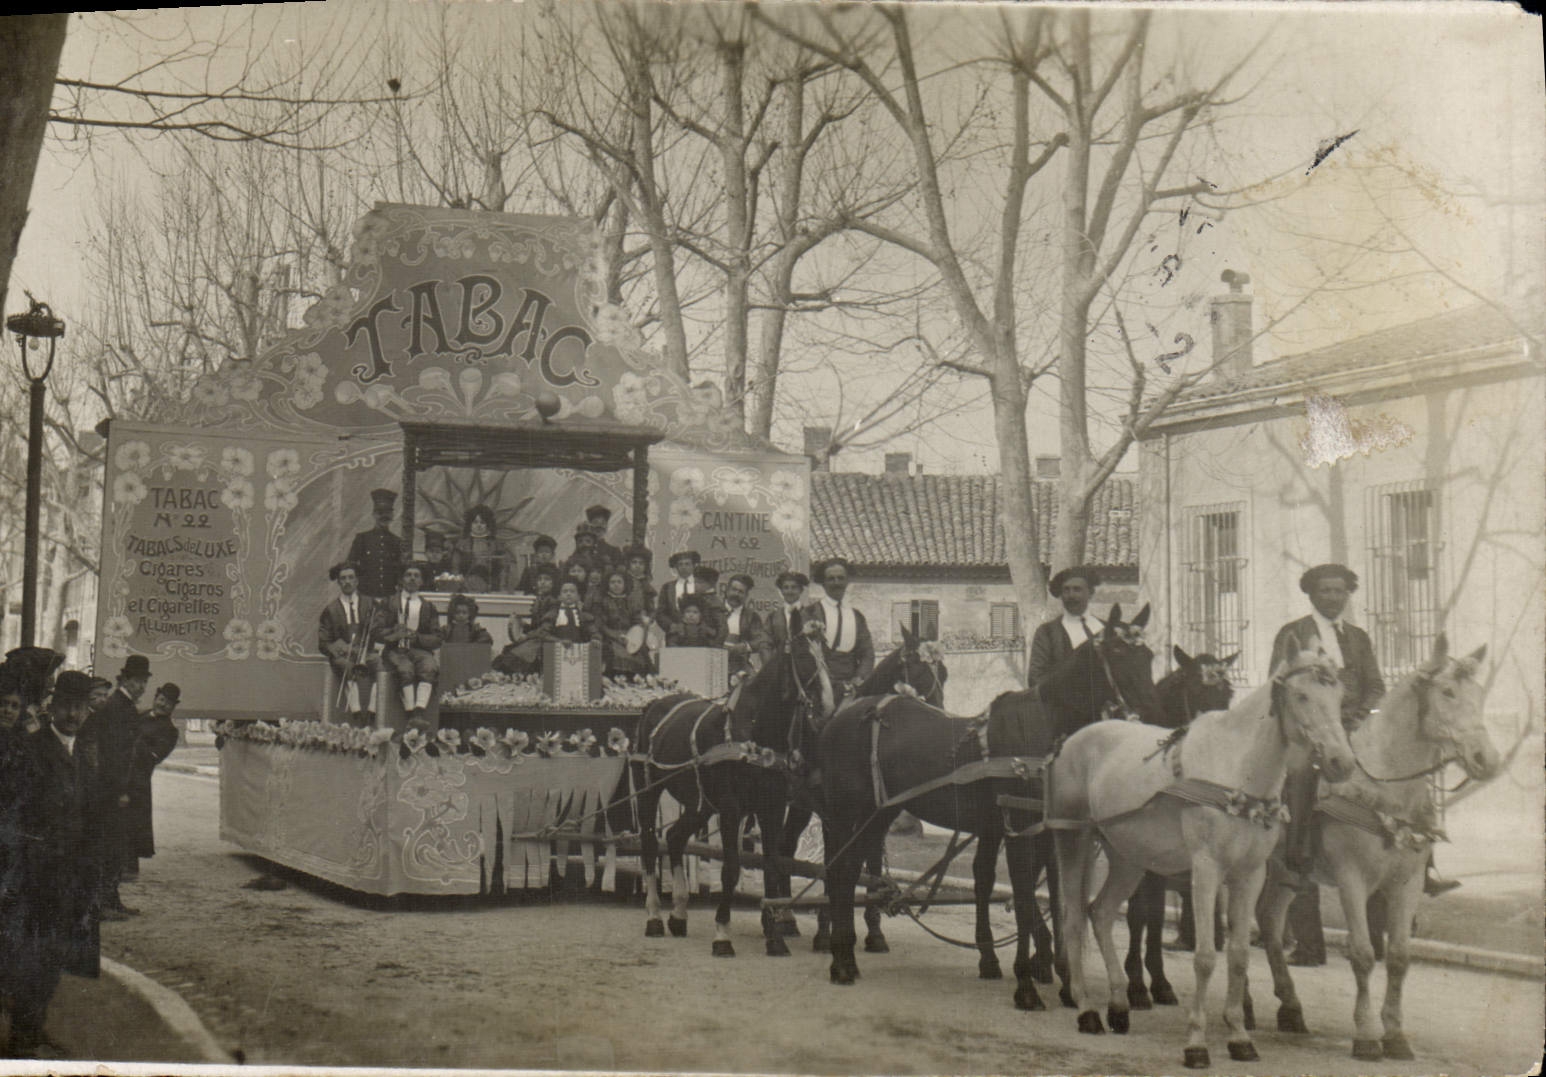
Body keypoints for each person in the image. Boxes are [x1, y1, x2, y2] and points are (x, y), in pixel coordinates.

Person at [1272, 562, 1385, 967]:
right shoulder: (1294, 633)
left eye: (1340, 591)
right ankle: (1300, 858)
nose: (1333, 598)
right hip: (1311, 735)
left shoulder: (1357, 637)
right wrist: (1318, 726)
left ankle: (1420, 872)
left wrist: (1360, 717)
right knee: (1301, 785)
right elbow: (1279, 685)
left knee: (1393, 795)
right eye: (1325, 591)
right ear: (1311, 594)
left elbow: (1376, 686)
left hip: (1352, 731)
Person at [2, 670, 102, 1060]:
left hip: (71, 879)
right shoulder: (32, 750)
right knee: (32, 958)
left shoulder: (84, 753)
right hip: (35, 877)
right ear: (52, 707)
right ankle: (23, 1040)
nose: (74, 713)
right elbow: (12, 814)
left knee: (54, 957)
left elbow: (92, 819)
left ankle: (33, 1029)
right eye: (67, 705)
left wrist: (90, 879)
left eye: (81, 707)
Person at [84, 654, 150, 920]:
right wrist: (119, 790)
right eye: (138, 681)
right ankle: (104, 903)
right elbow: (113, 754)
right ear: (126, 680)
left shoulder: (124, 706)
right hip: (111, 790)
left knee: (116, 846)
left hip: (118, 788)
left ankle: (112, 900)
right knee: (109, 847)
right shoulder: (117, 707)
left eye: (144, 681)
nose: (142, 687)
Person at [123, 683, 181, 881]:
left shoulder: (170, 731)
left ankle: (130, 868)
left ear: (174, 707)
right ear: (156, 698)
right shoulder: (142, 715)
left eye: (169, 703)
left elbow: (153, 756)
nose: (163, 705)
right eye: (162, 699)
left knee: (134, 821)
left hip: (139, 778)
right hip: (121, 772)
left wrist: (134, 741)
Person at [378, 563, 443, 723]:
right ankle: (410, 712)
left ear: (422, 581)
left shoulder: (428, 607)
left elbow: (437, 638)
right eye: (408, 574)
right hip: (395, 650)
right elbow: (376, 630)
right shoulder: (388, 603)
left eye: (417, 575)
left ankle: (419, 712)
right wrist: (393, 632)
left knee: (429, 667)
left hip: (419, 650)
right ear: (401, 579)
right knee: (405, 669)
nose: (412, 578)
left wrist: (418, 638)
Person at [804, 557, 875, 704]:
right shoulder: (810, 613)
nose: (836, 583)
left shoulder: (856, 616)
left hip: (852, 686)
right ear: (823, 583)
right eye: (831, 579)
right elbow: (803, 653)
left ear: (847, 581)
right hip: (818, 685)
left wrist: (859, 678)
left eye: (841, 578)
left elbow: (867, 652)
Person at [318, 561, 379, 723]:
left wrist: (369, 648)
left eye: (351, 578)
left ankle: (372, 711)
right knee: (345, 666)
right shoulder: (331, 609)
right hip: (344, 654)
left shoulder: (370, 604)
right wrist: (343, 649)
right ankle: (357, 712)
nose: (347, 582)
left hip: (365, 652)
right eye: (343, 578)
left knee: (381, 664)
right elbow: (324, 642)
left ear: (357, 581)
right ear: (338, 583)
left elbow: (379, 631)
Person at [1028, 566, 1102, 691]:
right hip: (1061, 707)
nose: (1071, 595)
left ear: (1090, 593)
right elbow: (1035, 678)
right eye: (1066, 590)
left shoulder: (1106, 630)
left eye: (1077, 590)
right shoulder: (1047, 633)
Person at [347, 488, 406, 600]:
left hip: (389, 596)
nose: (384, 516)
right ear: (374, 514)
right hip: (365, 596)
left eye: (388, 513)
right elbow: (350, 566)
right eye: (380, 513)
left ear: (392, 515)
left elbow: (401, 571)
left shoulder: (397, 542)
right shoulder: (362, 539)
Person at [596, 570, 651, 676]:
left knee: (640, 653)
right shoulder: (603, 601)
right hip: (611, 636)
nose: (616, 585)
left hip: (630, 636)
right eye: (612, 582)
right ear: (608, 585)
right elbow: (601, 624)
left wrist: (638, 630)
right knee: (615, 653)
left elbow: (636, 621)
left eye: (619, 582)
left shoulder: (630, 602)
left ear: (625, 584)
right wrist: (616, 636)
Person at [450, 504, 515, 592]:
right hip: (465, 589)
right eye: (475, 522)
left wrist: (502, 589)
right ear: (470, 524)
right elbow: (455, 569)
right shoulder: (461, 545)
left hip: (492, 590)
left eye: (482, 523)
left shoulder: (496, 545)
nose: (479, 525)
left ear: (488, 525)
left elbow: (503, 569)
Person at [722, 574, 767, 679]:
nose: (736, 594)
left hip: (739, 665)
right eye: (734, 590)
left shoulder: (751, 617)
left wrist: (745, 646)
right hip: (713, 661)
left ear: (746, 596)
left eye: (741, 592)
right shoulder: (713, 610)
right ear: (727, 590)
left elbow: (760, 640)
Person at [763, 570, 811, 661]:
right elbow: (765, 643)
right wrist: (769, 664)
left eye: (794, 587)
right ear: (781, 591)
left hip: (803, 668)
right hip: (779, 665)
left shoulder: (809, 615)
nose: (790, 591)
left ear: (801, 590)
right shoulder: (773, 617)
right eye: (786, 588)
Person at [541, 579, 601, 645]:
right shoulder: (553, 614)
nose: (568, 594)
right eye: (565, 591)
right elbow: (544, 634)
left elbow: (594, 632)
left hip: (579, 649)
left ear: (578, 597)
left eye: (572, 591)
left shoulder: (584, 616)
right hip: (557, 649)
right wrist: (559, 641)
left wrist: (595, 639)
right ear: (559, 597)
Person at [656, 549, 702, 632]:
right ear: (676, 567)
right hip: (674, 635)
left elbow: (709, 611)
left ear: (693, 566)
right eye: (680, 564)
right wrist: (672, 626)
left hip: (699, 635)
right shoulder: (667, 587)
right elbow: (660, 613)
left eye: (687, 564)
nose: (683, 567)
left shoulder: (702, 585)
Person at [691, 564, 729, 643]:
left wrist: (716, 645)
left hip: (708, 645)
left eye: (699, 582)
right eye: (694, 582)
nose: (694, 585)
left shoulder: (714, 603)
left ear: (710, 584)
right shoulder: (695, 599)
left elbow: (723, 629)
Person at [584, 504, 625, 572]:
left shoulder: (614, 551)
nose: (599, 526)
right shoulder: (582, 550)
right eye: (595, 522)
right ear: (589, 526)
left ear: (606, 527)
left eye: (603, 523)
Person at [624, 546, 657, 619]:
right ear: (629, 564)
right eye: (634, 562)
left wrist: (648, 618)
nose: (637, 566)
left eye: (641, 563)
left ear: (645, 566)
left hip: (640, 619)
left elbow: (651, 609)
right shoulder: (623, 580)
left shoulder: (646, 585)